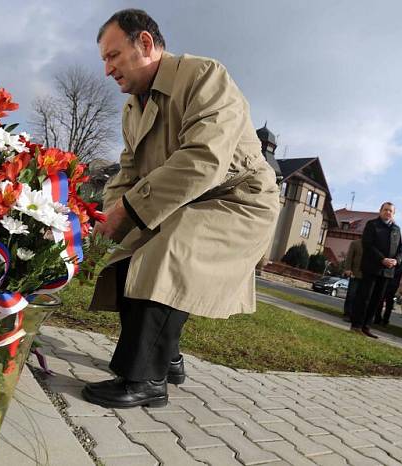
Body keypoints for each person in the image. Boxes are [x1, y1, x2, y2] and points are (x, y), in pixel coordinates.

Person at [86, 9, 280, 409]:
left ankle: (146, 380)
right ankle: (167, 359)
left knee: (165, 254)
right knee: (127, 258)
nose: (107, 70)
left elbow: (205, 158)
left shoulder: (205, 76)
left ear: (144, 43)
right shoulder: (132, 110)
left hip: (238, 201)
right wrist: (107, 219)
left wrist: (128, 211)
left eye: (113, 56)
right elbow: (128, 172)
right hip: (183, 202)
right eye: (104, 60)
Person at [349, 202, 402, 338]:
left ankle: (366, 326)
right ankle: (356, 325)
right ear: (380, 211)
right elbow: (367, 245)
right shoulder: (372, 225)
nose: (388, 212)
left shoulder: (396, 229)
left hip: (387, 271)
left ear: (394, 213)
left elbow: (401, 249)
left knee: (377, 300)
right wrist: (382, 259)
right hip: (372, 268)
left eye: (390, 211)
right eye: (385, 210)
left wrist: (396, 260)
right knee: (364, 297)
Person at [376, 260, 402, 326]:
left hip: (393, 283)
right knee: (380, 299)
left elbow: (401, 269)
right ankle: (377, 318)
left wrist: (390, 271)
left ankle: (385, 320)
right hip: (385, 280)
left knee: (389, 301)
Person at [342, 239, 363, 321]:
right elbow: (349, 257)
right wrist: (347, 269)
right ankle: (347, 314)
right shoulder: (355, 243)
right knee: (351, 295)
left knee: (361, 298)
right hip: (355, 274)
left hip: (367, 276)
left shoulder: (374, 245)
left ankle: (356, 316)